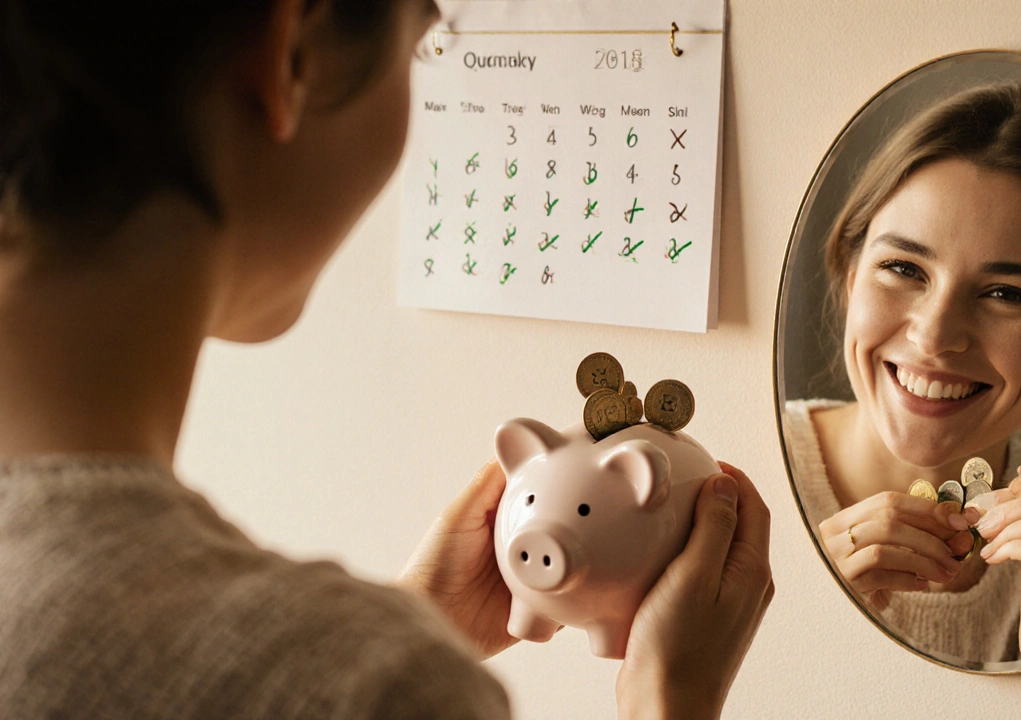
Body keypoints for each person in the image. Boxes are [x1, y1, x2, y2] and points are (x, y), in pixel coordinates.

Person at [0, 1, 773, 717]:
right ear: (289, 56)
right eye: (424, 45)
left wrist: (406, 631)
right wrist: (670, 697)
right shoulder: (369, 687)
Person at [782, 84, 1021, 662]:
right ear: (847, 272)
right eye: (902, 267)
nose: (935, 336)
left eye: (1005, 293)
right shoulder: (737, 480)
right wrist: (801, 631)